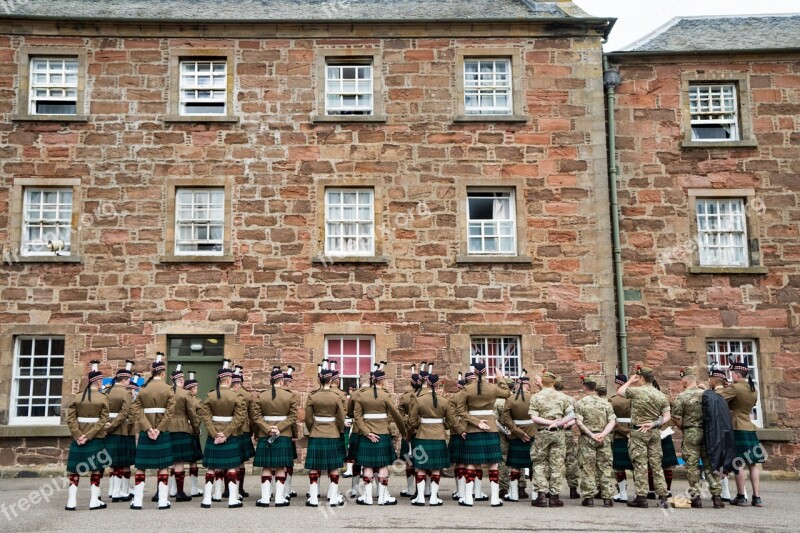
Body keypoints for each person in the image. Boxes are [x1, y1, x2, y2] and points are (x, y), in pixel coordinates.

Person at [456, 361, 510, 508]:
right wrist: (500, 378)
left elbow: (460, 410)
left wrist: (476, 422)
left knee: (471, 464)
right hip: (491, 428)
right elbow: (507, 393)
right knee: (493, 463)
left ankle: (468, 498)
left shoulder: (467, 389)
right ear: (486, 373)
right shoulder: (493, 388)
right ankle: (494, 499)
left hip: (473, 429)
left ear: (473, 373)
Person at [616, 366, 671, 509]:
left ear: (641, 378)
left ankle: (641, 497)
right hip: (653, 431)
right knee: (656, 465)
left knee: (640, 464)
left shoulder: (637, 391)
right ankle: (663, 497)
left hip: (638, 431)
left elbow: (620, 391)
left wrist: (629, 381)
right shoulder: (661, 395)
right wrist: (653, 424)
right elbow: (667, 417)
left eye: (638, 378)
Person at [354, 362, 407, 506]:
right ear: (382, 381)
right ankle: (383, 498)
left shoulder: (361, 395)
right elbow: (396, 414)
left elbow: (357, 417)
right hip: (383, 433)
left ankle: (368, 498)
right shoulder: (385, 395)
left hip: (367, 436)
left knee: (367, 465)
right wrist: (404, 432)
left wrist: (367, 432)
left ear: (371, 380)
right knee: (383, 465)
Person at [672, 367, 724, 509]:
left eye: (682, 381)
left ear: (684, 381)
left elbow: (676, 418)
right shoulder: (706, 394)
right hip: (708, 432)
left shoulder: (682, 397)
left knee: (692, 466)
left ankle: (696, 498)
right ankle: (717, 497)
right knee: (710, 464)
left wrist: (685, 427)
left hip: (691, 431)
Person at [198, 360, 247, 508]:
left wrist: (214, 434)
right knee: (231, 466)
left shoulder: (210, 396)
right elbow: (239, 418)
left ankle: (207, 499)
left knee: (211, 467)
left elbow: (205, 417)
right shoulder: (236, 396)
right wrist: (225, 434)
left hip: (214, 436)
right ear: (228, 380)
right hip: (230, 436)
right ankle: (232, 499)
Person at [130, 353, 176, 510]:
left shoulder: (143, 389)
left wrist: (148, 428)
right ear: (163, 374)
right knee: (163, 465)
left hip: (146, 431)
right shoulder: (169, 389)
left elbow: (136, 409)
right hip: (161, 432)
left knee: (141, 466)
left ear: (152, 373)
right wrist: (158, 429)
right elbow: (170, 412)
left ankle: (137, 501)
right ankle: (163, 501)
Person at [407, 371, 458, 506]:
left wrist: (422, 424)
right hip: (439, 437)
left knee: (421, 467)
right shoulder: (444, 401)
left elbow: (412, 421)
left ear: (427, 384)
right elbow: (452, 422)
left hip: (422, 436)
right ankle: (434, 498)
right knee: (436, 468)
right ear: (438, 385)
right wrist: (441, 426)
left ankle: (421, 498)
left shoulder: (419, 399)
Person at [719, 358, 764, 507]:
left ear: (737, 375)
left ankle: (741, 496)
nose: (731, 376)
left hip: (737, 426)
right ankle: (757, 498)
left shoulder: (735, 387)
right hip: (750, 427)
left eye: (732, 373)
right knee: (753, 464)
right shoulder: (753, 388)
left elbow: (719, 399)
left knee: (738, 463)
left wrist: (722, 387)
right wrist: (731, 386)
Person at [65, 360, 109, 511]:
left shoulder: (77, 397)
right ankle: (93, 501)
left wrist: (78, 435)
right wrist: (88, 435)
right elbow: (103, 420)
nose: (102, 382)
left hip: (78, 439)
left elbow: (70, 419)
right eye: (101, 380)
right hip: (95, 438)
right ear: (97, 381)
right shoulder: (103, 398)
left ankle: (71, 501)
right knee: (96, 469)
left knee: (75, 470)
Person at [528, 371, 574, 508]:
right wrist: (557, 423)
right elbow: (572, 414)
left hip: (542, 432)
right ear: (553, 382)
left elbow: (534, 417)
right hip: (558, 433)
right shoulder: (562, 397)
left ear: (542, 382)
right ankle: (554, 497)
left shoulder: (536, 397)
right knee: (558, 463)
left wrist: (548, 423)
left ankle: (541, 495)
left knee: (539, 462)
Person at [252, 366, 297, 508]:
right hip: (283, 434)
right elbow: (293, 416)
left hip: (266, 434)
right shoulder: (290, 395)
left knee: (266, 466)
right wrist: (279, 428)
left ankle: (265, 499)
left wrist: (267, 428)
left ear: (270, 381)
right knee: (280, 467)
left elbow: (256, 416)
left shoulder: (261, 395)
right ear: (282, 381)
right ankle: (279, 498)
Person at [304, 362, 346, 507]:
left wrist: (313, 428)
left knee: (315, 466)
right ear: (331, 380)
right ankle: (333, 498)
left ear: (320, 380)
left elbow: (308, 419)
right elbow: (341, 418)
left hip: (316, 433)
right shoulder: (336, 396)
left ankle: (314, 499)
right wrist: (338, 429)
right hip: (333, 433)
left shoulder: (313, 396)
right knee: (334, 466)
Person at [574, 376, 616, 508]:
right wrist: (603, 434)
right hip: (604, 438)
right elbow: (612, 421)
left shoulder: (580, 403)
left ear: (584, 387)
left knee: (587, 467)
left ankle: (589, 498)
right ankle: (607, 498)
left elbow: (579, 422)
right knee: (605, 467)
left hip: (587, 438)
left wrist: (592, 434)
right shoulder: (606, 403)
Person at [499, 371, 535, 503]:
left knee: (515, 465)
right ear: (527, 385)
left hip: (516, 435)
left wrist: (517, 432)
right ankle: (536, 495)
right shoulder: (535, 398)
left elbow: (506, 419)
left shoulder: (510, 399)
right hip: (532, 434)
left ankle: (513, 494)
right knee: (535, 464)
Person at [166, 364, 199, 502]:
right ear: (180, 380)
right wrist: (196, 429)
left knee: (166, 462)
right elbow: (192, 414)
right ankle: (179, 492)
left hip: (166, 428)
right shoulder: (185, 394)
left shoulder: (166, 391)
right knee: (179, 462)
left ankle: (161, 492)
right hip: (182, 428)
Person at [104, 360, 134, 503]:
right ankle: (117, 493)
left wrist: (106, 425)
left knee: (113, 462)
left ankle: (113, 491)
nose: (129, 383)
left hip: (106, 428)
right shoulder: (126, 393)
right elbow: (124, 413)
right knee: (120, 463)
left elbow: (101, 411)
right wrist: (113, 425)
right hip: (120, 429)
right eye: (128, 380)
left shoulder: (106, 391)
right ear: (124, 380)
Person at [399, 363, 424, 497]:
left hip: (409, 430)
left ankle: (410, 489)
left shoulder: (405, 396)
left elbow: (400, 414)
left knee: (409, 460)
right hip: (423, 431)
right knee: (423, 461)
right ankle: (425, 490)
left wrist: (407, 423)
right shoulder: (427, 396)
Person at [231, 365, 255, 499]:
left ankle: (228, 489)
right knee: (240, 461)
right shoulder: (247, 394)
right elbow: (252, 415)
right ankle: (239, 488)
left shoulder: (226, 393)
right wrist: (253, 431)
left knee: (228, 461)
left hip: (228, 429)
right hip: (244, 429)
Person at [554, 377, 580, 500]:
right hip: (567, 432)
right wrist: (567, 424)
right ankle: (573, 489)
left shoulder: (551, 399)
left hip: (554, 432)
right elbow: (576, 417)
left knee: (554, 460)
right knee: (571, 461)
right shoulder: (570, 399)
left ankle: (552, 490)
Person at [609, 374, 632, 503]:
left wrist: (623, 431)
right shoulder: (635, 399)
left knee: (619, 467)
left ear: (617, 383)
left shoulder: (613, 400)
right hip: (637, 434)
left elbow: (612, 420)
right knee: (638, 466)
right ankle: (639, 494)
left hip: (619, 435)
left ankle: (622, 493)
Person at [182, 371, 205, 497]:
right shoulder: (197, 402)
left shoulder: (178, 398)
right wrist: (196, 429)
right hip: (192, 432)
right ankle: (194, 488)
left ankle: (174, 489)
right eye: (195, 388)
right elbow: (198, 418)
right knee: (193, 461)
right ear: (191, 389)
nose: (197, 390)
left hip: (181, 431)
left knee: (177, 461)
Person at [449, 372, 469, 501]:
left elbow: (452, 417)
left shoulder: (454, 398)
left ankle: (460, 491)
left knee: (459, 463)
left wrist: (460, 430)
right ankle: (471, 491)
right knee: (471, 463)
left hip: (457, 432)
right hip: (471, 431)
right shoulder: (473, 396)